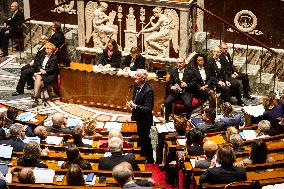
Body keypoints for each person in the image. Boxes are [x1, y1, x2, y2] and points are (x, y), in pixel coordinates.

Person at [127, 69, 154, 163]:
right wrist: (132, 105)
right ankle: (139, 157)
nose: (135, 77)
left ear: (143, 78)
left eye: (137, 76)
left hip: (144, 121)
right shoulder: (136, 85)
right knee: (137, 138)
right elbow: (136, 100)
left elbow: (148, 109)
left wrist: (135, 106)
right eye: (135, 75)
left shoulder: (148, 91)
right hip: (136, 117)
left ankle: (150, 160)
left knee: (145, 140)